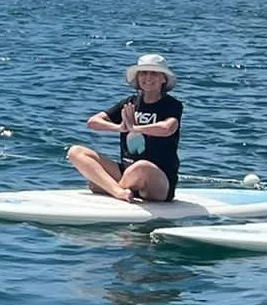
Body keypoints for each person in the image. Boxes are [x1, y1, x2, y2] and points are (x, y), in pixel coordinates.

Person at [66, 52, 182, 203]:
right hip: (126, 171)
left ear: (163, 79)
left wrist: (136, 128)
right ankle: (119, 190)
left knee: (141, 166)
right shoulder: (129, 103)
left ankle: (110, 187)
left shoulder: (172, 105)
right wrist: (120, 127)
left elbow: (168, 128)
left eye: (153, 73)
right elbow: (93, 122)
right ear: (137, 78)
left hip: (158, 180)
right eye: (143, 73)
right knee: (76, 151)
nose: (148, 78)